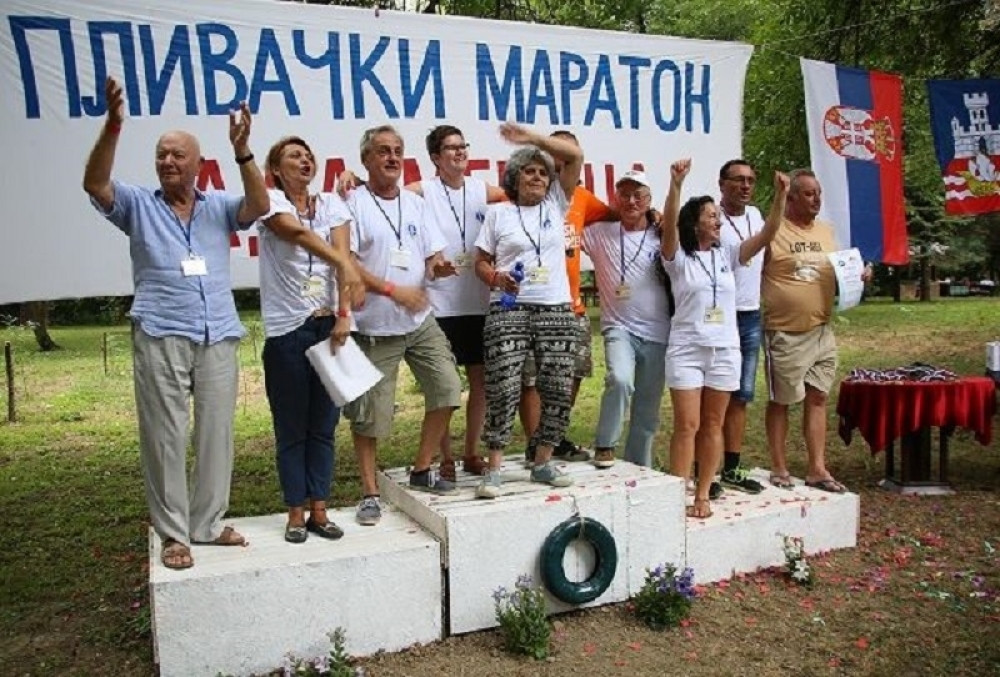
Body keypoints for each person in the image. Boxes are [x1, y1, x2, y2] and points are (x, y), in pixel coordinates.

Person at [82, 77, 269, 569]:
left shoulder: (219, 207)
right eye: (161, 155)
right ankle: (172, 534)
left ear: (197, 164)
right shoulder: (137, 205)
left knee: (216, 433)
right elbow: (95, 184)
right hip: (161, 330)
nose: (167, 161)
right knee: (166, 434)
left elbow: (260, 206)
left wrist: (244, 151)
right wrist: (114, 126)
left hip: (218, 334)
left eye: (177, 155)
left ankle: (206, 524)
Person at [344, 124, 463, 526]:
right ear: (366, 160)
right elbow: (349, 265)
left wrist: (439, 267)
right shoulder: (352, 203)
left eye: (397, 150)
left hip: (418, 319)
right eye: (383, 151)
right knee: (370, 416)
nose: (392, 158)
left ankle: (421, 468)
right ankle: (369, 493)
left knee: (448, 388)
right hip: (375, 326)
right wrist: (396, 290)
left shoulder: (414, 204)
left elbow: (430, 255)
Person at [660, 159, 788, 519]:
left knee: (713, 424)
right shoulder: (678, 257)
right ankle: (676, 494)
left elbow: (767, 236)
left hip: (725, 349)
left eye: (718, 216)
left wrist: (781, 197)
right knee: (688, 425)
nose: (718, 221)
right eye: (711, 215)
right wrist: (676, 185)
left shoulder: (728, 254)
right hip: (686, 349)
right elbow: (669, 222)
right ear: (695, 222)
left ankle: (703, 493)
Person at [258, 136, 365, 543]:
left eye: (307, 155)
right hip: (287, 330)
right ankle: (295, 512)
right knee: (291, 427)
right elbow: (293, 234)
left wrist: (343, 314)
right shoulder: (271, 203)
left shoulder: (333, 205)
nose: (304, 161)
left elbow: (342, 258)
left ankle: (320, 507)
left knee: (324, 423)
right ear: (276, 168)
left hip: (327, 325)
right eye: (293, 156)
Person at [473, 123, 585, 498]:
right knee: (503, 384)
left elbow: (575, 156)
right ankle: (494, 469)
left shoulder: (557, 202)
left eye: (543, 172)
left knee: (556, 386)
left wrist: (533, 141)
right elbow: (481, 263)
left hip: (555, 307)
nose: (537, 177)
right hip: (509, 309)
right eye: (529, 171)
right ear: (514, 178)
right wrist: (496, 278)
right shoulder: (498, 215)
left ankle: (542, 462)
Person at [406, 125, 508, 481]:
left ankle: (471, 452)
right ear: (435, 157)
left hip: (479, 301)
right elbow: (387, 194)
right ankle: (445, 456)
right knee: (445, 384)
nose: (459, 152)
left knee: (480, 383)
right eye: (450, 148)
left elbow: (520, 193)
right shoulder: (422, 191)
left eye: (463, 146)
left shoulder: (482, 189)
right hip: (441, 303)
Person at [520, 130, 614, 464]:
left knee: (573, 373)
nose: (562, 158)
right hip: (536, 303)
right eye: (557, 151)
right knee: (531, 377)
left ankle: (553, 435)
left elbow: (617, 216)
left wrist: (652, 217)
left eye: (568, 151)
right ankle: (535, 444)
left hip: (572, 305)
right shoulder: (527, 195)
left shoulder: (584, 198)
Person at [762, 169, 856, 493]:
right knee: (782, 400)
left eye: (818, 193)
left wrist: (860, 275)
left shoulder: (827, 232)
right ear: (790, 198)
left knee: (818, 397)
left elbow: (841, 272)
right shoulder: (774, 231)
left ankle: (817, 469)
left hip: (822, 330)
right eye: (808, 193)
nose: (817, 199)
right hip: (785, 332)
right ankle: (779, 466)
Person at [582, 170, 669, 469]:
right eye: (625, 195)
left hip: (659, 332)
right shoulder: (599, 232)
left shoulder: (662, 234)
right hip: (618, 326)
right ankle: (605, 443)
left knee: (647, 406)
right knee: (619, 379)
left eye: (638, 195)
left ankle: (639, 465)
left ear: (648, 200)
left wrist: (663, 218)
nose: (631, 201)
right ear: (616, 199)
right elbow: (565, 224)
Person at [716, 159, 767, 494]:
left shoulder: (757, 216)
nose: (746, 186)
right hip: (720, 317)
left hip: (750, 315)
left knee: (741, 396)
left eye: (750, 180)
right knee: (714, 397)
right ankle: (703, 468)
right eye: (738, 180)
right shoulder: (711, 219)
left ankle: (731, 469)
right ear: (722, 184)